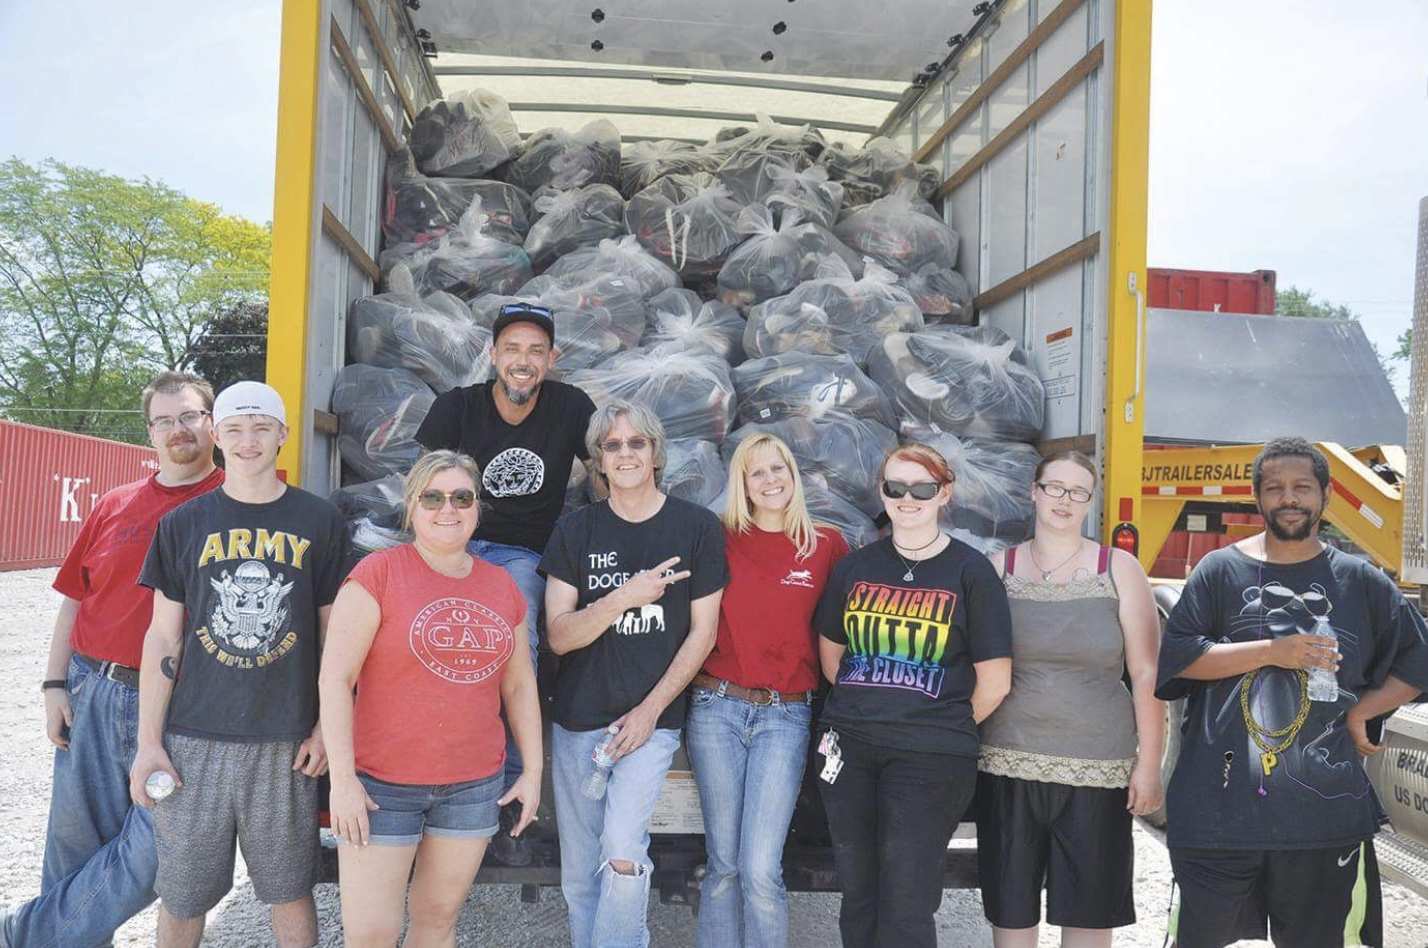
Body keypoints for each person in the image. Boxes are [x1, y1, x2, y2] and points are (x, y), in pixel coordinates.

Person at [1158, 437, 1428, 948]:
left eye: (1302, 487)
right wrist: (1271, 651)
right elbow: (1179, 659)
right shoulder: (1219, 571)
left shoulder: (1361, 581)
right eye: (1275, 488)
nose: (1289, 498)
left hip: (1323, 822)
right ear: (1257, 498)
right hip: (1216, 817)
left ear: (1325, 496)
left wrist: (1363, 712)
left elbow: (1419, 659)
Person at [1, 372, 224, 948]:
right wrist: (54, 685)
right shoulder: (115, 503)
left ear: (213, 424)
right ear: (150, 432)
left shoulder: (234, 505)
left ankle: (22, 935)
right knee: (72, 851)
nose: (179, 430)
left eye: (191, 417)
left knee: (159, 853)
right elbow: (76, 599)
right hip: (92, 690)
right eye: (165, 420)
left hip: (182, 705)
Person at [129, 381, 348, 948]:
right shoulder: (182, 524)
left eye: (260, 427)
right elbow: (163, 640)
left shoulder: (320, 521)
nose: (248, 441)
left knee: (290, 891)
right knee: (182, 895)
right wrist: (148, 742)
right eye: (234, 429)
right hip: (193, 739)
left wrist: (327, 727)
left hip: (285, 740)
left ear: (282, 434)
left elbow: (336, 641)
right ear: (216, 436)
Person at [319, 450, 542, 947]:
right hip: (383, 787)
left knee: (438, 922)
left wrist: (532, 771)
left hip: (472, 787)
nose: (449, 508)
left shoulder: (502, 585)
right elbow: (335, 679)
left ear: (477, 508)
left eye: (462, 496)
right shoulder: (378, 574)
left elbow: (520, 685)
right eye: (433, 497)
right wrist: (343, 781)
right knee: (372, 935)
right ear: (412, 507)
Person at [541, 401, 728, 948]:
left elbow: (704, 633)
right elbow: (560, 634)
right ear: (598, 459)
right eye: (612, 445)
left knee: (622, 850)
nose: (625, 454)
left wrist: (651, 713)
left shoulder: (696, 527)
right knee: (580, 873)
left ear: (655, 453)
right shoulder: (575, 531)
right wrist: (625, 596)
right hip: (577, 721)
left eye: (636, 443)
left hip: (650, 721)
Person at [414, 300, 596, 861]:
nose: (523, 360)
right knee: (433, 643)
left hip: (523, 552)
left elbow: (606, 470)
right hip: (456, 542)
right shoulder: (456, 407)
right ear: (492, 356)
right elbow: (424, 487)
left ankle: (512, 787)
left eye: (536, 351)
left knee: (518, 639)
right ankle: (428, 772)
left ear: (552, 360)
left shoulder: (571, 407)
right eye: (512, 349)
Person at [813, 442, 1013, 948]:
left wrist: (932, 720)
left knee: (907, 900)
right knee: (857, 894)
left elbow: (995, 680)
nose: (907, 498)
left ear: (944, 493)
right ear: (882, 492)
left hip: (932, 756)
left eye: (921, 487)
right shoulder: (854, 568)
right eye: (894, 487)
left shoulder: (971, 572)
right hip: (851, 749)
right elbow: (833, 659)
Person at [975, 451, 1164, 947]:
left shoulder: (1119, 568)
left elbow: (1146, 672)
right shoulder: (997, 569)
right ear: (1034, 492)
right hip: (1007, 763)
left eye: (1078, 492)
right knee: (1011, 913)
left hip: (1097, 766)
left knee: (1087, 914)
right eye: (1054, 487)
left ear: (1090, 502)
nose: (1065, 500)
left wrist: (1149, 766)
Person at [686, 433, 848, 948]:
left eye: (778, 468)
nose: (771, 479)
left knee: (760, 870)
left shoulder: (827, 544)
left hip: (786, 716)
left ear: (793, 475)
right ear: (743, 484)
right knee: (724, 866)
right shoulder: (717, 537)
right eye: (757, 472)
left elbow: (848, 632)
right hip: (717, 708)